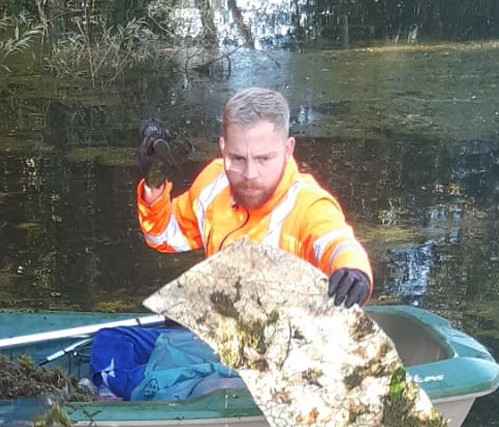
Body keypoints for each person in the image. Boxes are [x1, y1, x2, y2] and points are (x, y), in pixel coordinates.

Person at [136, 87, 374, 307]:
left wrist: (355, 271)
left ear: (288, 149)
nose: (250, 174)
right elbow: (162, 236)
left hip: (292, 342)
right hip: (227, 332)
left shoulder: (309, 206)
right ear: (223, 147)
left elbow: (337, 243)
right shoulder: (212, 184)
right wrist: (154, 184)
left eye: (264, 159)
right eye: (238, 158)